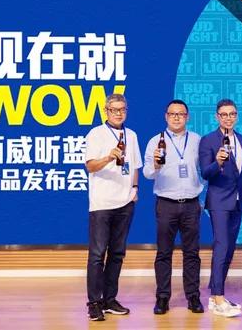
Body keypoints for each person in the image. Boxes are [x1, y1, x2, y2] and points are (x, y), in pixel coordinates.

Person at [143, 100, 205, 315]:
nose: (176, 117)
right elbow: (147, 173)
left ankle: (193, 296)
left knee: (192, 253)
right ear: (166, 116)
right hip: (166, 204)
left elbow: (205, 169)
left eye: (181, 114)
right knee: (163, 253)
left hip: (191, 204)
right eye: (172, 114)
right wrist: (156, 165)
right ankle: (162, 297)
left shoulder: (197, 140)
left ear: (187, 117)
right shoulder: (155, 141)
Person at [84, 94, 142, 321]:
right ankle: (94, 302)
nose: (119, 113)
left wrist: (135, 188)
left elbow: (135, 166)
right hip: (102, 203)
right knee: (97, 255)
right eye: (114, 109)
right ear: (106, 111)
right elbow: (90, 166)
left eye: (122, 109)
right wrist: (109, 157)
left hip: (125, 202)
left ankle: (109, 299)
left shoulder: (132, 135)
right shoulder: (96, 134)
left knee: (117, 254)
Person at [199, 99, 242, 317]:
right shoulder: (208, 140)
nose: (228, 118)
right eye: (224, 114)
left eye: (232, 114)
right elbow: (205, 173)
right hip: (219, 202)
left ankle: (215, 295)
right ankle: (218, 297)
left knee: (229, 248)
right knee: (221, 246)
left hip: (238, 202)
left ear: (236, 116)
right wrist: (218, 162)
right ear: (217, 117)